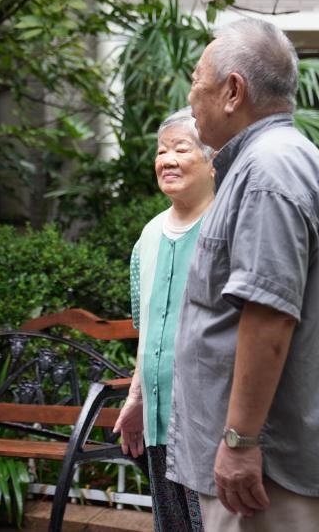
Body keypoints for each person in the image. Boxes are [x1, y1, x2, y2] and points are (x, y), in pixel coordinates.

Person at [164, 18, 319, 532]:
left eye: (197, 81)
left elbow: (268, 317)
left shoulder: (268, 172)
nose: (190, 98)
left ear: (233, 91)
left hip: (267, 474)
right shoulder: (274, 162)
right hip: (273, 467)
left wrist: (240, 441)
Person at [113, 108, 214, 532]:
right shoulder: (149, 235)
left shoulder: (226, 226)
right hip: (159, 417)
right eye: (161, 151)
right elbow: (148, 330)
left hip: (211, 421)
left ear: (212, 159)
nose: (167, 160)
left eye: (181, 149)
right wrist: (137, 398)